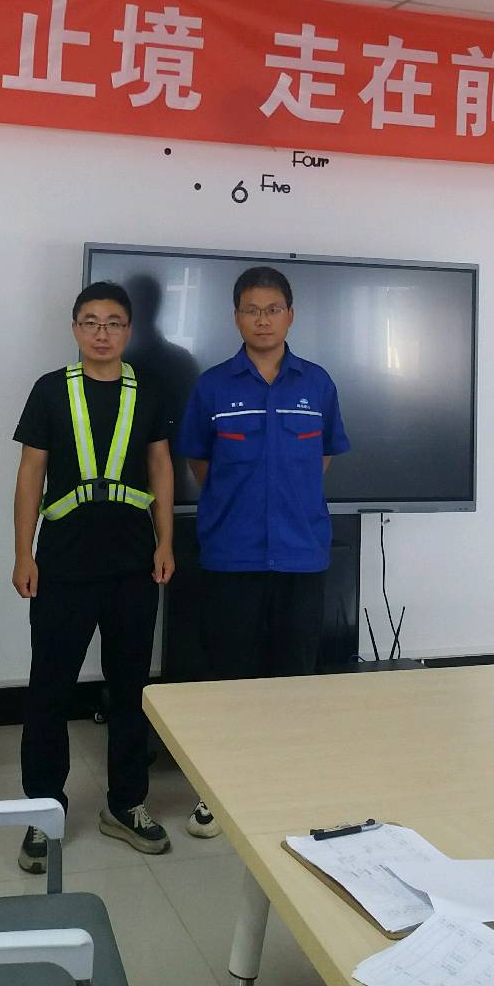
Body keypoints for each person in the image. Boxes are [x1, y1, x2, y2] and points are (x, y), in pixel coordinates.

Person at [176, 264, 350, 838]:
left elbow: (322, 457)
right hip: (233, 553)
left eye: (273, 309)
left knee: (295, 677)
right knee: (230, 677)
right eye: (251, 310)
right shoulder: (212, 387)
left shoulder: (317, 384)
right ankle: (220, 792)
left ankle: (287, 786)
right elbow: (199, 462)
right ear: (236, 318)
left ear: (290, 315)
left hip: (301, 554)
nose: (262, 320)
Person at [12, 281, 175, 873]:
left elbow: (160, 466)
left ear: (129, 330)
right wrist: (23, 553)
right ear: (75, 328)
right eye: (90, 322)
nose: (101, 333)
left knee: (130, 689)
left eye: (113, 322)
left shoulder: (149, 389)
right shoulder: (50, 389)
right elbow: (30, 473)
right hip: (63, 564)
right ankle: (43, 808)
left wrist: (166, 542)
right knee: (49, 689)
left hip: (133, 564)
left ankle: (126, 803)